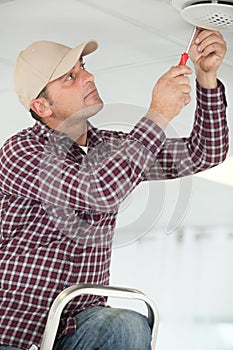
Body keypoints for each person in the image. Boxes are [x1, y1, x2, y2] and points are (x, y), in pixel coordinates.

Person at [0, 27, 228, 350]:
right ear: (42, 107)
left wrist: (207, 78)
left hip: (80, 326)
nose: (88, 76)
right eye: (70, 76)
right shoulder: (20, 153)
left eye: (82, 66)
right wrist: (158, 114)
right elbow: (99, 192)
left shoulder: (113, 148)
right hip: (16, 333)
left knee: (128, 325)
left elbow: (206, 151)